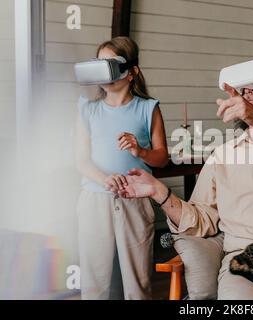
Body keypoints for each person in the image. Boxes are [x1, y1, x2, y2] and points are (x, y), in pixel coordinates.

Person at [117, 65, 253, 300]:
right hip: (244, 265)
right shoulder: (223, 155)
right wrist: (159, 192)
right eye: (243, 90)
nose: (248, 93)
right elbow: (202, 220)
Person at [75, 36, 169, 300]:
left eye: (112, 64)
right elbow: (81, 160)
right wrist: (104, 179)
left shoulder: (149, 109)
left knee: (137, 282)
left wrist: (140, 151)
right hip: (95, 199)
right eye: (100, 64)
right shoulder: (87, 109)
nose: (106, 72)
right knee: (94, 282)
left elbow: (161, 158)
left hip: (136, 201)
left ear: (131, 72)